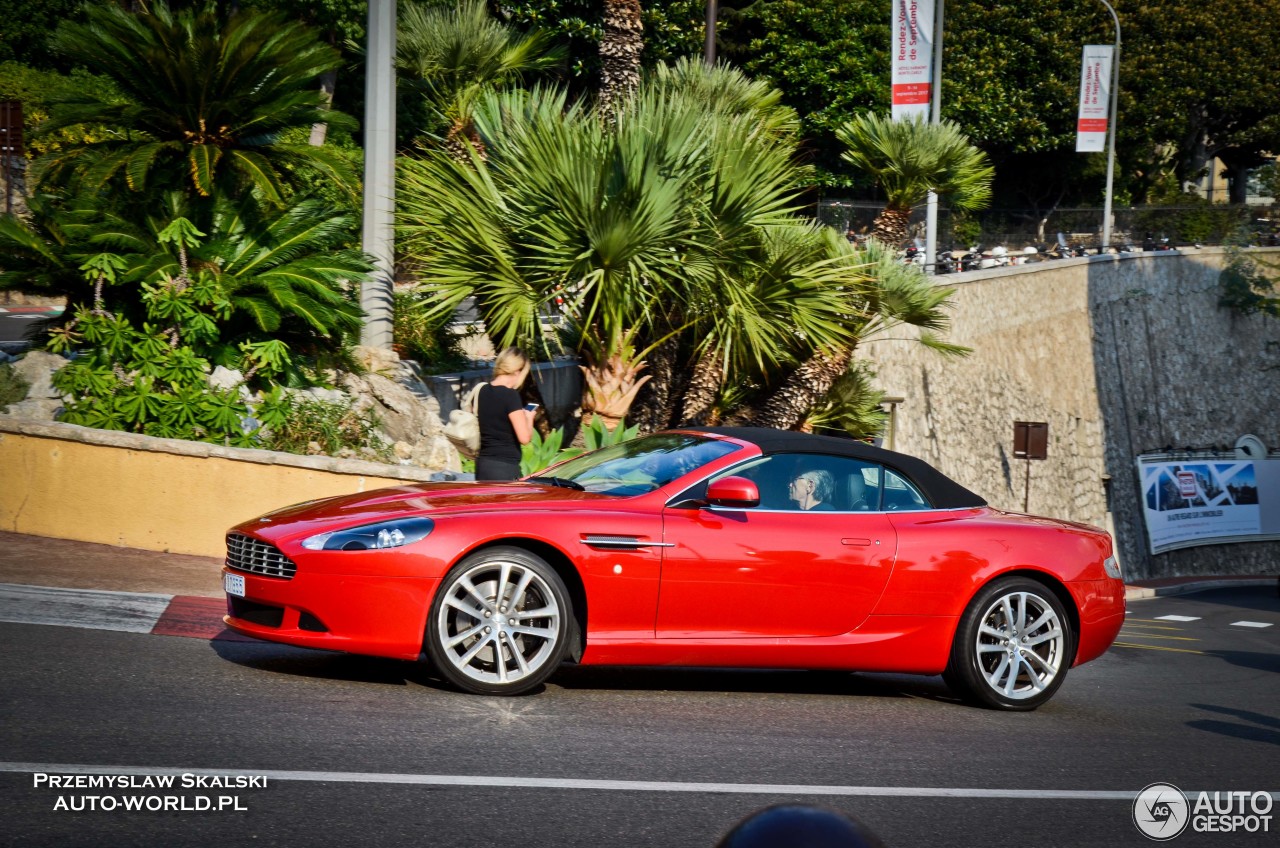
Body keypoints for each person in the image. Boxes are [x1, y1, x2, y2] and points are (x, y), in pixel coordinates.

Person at [475, 347, 534, 481]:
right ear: (517, 372)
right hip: (504, 468)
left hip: (483, 465)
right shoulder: (510, 396)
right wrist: (529, 418)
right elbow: (524, 438)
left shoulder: (483, 390)